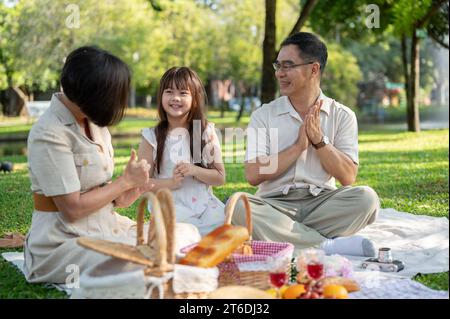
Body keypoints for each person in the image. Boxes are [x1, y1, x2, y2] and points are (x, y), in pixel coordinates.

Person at [24, 47, 200, 284]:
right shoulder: (49, 133)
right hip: (65, 241)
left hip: (107, 225)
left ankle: (160, 264)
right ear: (92, 94)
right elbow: (72, 209)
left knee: (186, 233)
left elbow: (111, 196)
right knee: (134, 260)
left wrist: (130, 191)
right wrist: (124, 181)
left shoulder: (95, 123)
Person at [232, 32, 380, 257]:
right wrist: (297, 147)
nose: (280, 73)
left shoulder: (342, 115)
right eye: (278, 65)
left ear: (313, 69)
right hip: (274, 205)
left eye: (288, 66)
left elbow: (348, 177)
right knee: (238, 206)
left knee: (367, 199)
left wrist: (320, 142)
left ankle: (290, 239)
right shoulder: (264, 115)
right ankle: (325, 245)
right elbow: (253, 174)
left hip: (322, 204)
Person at [138, 67, 226, 236]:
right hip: (170, 207)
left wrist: (195, 170)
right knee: (184, 234)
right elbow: (142, 184)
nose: (175, 98)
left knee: (227, 229)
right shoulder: (151, 137)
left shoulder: (206, 132)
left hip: (205, 207)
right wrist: (170, 183)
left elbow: (220, 177)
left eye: (183, 93)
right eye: (169, 91)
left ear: (195, 99)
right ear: (161, 96)